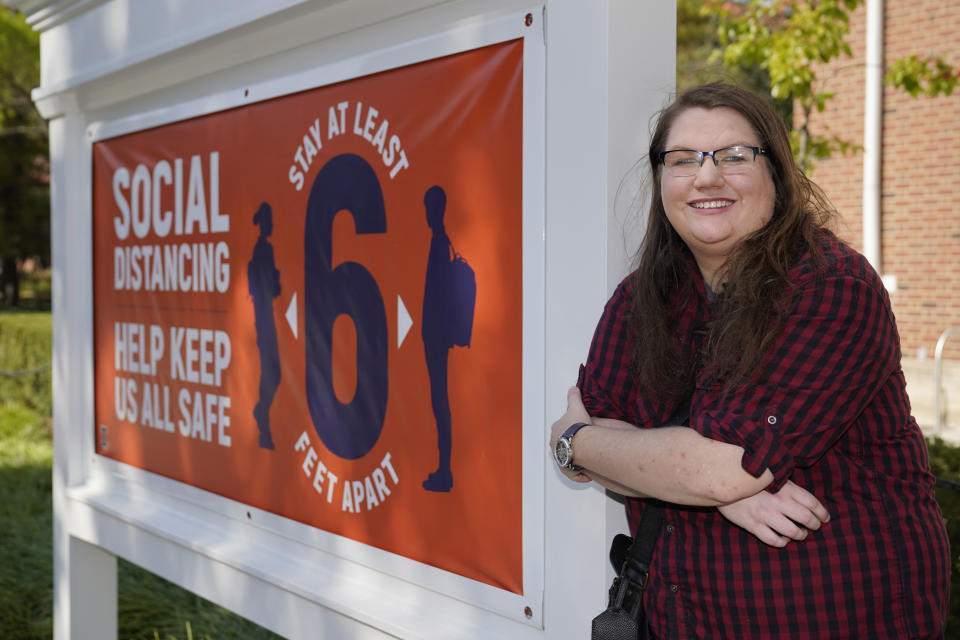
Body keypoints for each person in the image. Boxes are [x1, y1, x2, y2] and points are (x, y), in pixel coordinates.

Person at [550, 83, 949, 639]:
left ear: (777, 176)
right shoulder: (641, 300)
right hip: (684, 622)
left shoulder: (829, 286)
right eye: (682, 159)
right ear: (661, 179)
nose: (706, 177)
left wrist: (578, 440)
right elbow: (704, 468)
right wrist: (715, 484)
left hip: (837, 620)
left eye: (736, 156)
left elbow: (714, 466)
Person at [249, 202, 281, 450]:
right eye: (270, 220)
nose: (272, 225)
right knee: (272, 372)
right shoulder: (264, 251)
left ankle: (263, 415)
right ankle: (263, 419)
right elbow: (270, 289)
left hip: (264, 318)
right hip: (265, 318)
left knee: (271, 371)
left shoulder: (261, 251)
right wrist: (276, 279)